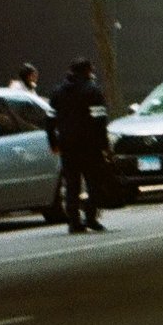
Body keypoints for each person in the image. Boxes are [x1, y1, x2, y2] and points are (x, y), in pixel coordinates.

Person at [49, 57, 112, 234]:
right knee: (94, 182)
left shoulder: (58, 92)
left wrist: (53, 142)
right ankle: (91, 217)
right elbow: (100, 120)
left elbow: (50, 119)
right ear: (88, 71)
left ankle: (74, 221)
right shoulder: (93, 91)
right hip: (90, 145)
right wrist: (105, 145)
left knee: (72, 184)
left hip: (67, 145)